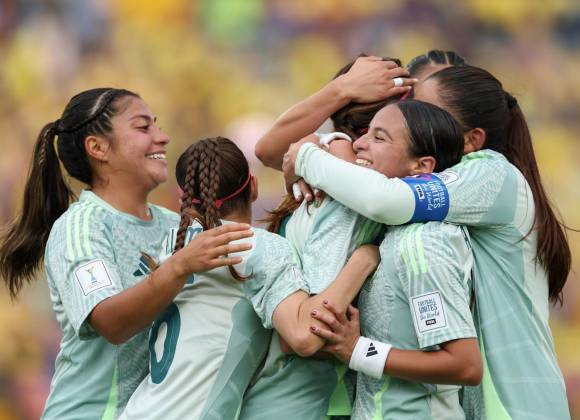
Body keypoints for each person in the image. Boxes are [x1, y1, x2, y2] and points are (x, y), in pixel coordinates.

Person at [283, 65, 571, 420]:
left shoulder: (491, 174)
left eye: (425, 109)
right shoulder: (438, 211)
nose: (410, 113)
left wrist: (309, 155)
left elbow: (386, 199)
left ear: (471, 140)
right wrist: (329, 140)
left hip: (517, 406)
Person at [0, 88, 254, 419]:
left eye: (157, 126)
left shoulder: (174, 225)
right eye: (143, 127)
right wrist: (178, 266)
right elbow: (111, 322)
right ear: (98, 148)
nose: (162, 138)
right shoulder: (81, 228)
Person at [120, 136, 380, 420]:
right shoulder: (254, 246)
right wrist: (364, 258)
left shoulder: (171, 245)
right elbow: (303, 336)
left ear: (184, 199)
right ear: (253, 186)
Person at [306, 99, 481, 419]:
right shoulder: (388, 232)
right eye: (365, 134)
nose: (359, 144)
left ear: (422, 167)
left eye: (379, 137)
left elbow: (465, 364)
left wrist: (357, 351)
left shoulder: (422, 244)